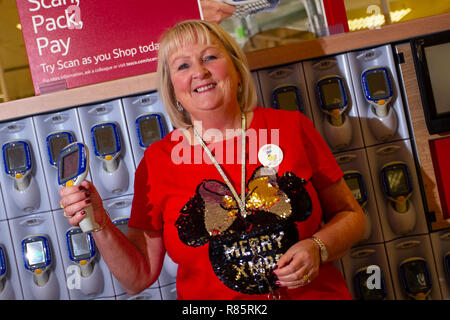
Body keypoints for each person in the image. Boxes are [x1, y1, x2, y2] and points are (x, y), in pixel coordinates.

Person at [59, 19, 366, 300]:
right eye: (182, 66)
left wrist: (318, 247)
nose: (199, 72)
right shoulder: (158, 162)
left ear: (235, 68)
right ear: (173, 91)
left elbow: (352, 217)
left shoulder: (291, 127)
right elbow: (137, 277)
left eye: (210, 57)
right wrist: (99, 224)